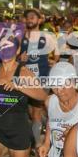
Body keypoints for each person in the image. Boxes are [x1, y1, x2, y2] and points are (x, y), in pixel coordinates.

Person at [21, 8, 50, 147]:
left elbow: (55, 56)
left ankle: (37, 145)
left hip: (42, 79)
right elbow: (14, 58)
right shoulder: (21, 38)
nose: (30, 19)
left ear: (39, 20)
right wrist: (20, 59)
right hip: (26, 80)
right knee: (32, 113)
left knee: (36, 113)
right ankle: (47, 124)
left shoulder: (47, 37)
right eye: (28, 17)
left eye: (33, 17)